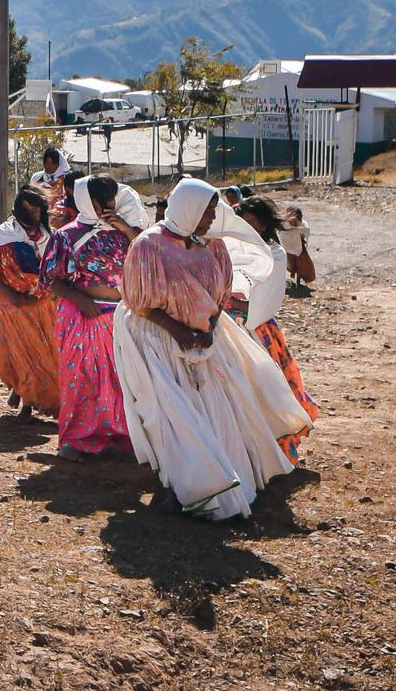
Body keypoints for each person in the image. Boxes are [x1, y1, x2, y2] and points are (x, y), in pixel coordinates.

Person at [113, 179, 312, 520]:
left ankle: (224, 479)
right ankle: (183, 486)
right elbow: (139, 301)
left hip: (206, 340)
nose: (210, 219)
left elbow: (222, 290)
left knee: (218, 409)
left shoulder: (212, 245)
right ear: (187, 209)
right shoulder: (148, 246)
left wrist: (210, 326)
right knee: (173, 414)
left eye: (212, 212)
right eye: (206, 212)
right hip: (160, 342)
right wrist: (179, 331)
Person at [40, 175, 146, 461]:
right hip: (84, 315)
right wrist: (82, 300)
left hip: (120, 317)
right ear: (89, 200)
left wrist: (126, 229)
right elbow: (52, 280)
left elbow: (149, 257)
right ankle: (79, 439)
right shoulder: (67, 236)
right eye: (103, 200)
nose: (110, 205)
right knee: (83, 378)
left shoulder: (124, 232)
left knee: (121, 378)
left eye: (112, 199)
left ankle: (122, 436)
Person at [232, 195, 320, 463]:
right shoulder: (231, 247)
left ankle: (272, 452)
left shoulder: (275, 252)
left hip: (257, 330)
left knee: (266, 392)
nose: (249, 228)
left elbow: (268, 296)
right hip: (230, 327)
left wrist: (242, 321)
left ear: (264, 224)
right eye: (243, 223)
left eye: (253, 223)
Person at [0, 187, 60, 421]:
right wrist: (12, 295)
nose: (33, 213)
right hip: (8, 305)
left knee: (41, 355)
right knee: (15, 354)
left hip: (39, 305)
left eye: (36, 208)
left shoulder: (50, 238)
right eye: (28, 208)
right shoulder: (3, 236)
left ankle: (27, 395)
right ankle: (25, 399)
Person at [280, 206, 312, 286]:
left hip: (299, 248)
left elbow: (305, 231)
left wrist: (296, 231)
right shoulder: (284, 224)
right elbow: (282, 232)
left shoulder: (303, 224)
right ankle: (292, 277)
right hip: (288, 247)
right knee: (291, 263)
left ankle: (297, 280)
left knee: (300, 265)